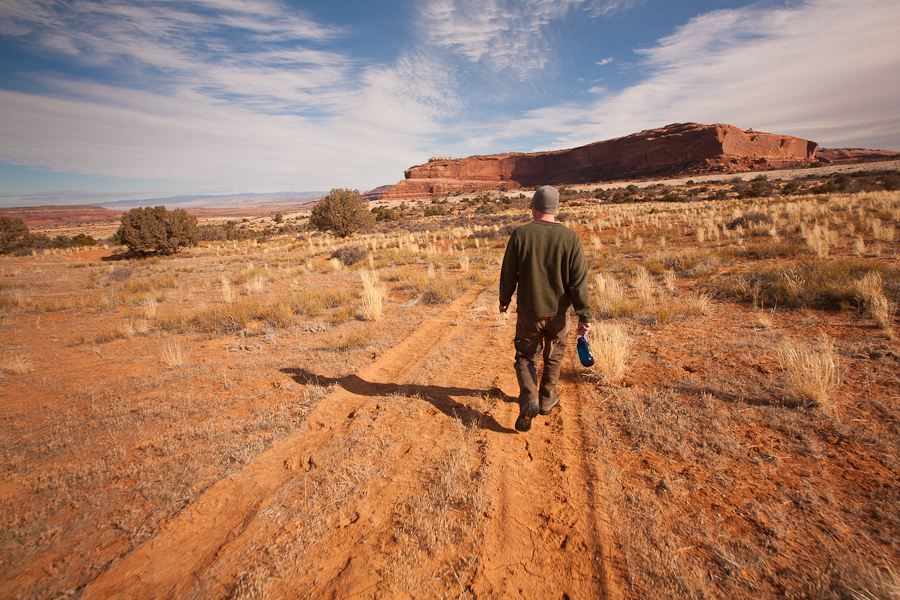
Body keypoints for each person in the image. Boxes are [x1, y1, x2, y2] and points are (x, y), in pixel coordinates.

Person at [499, 185, 592, 432]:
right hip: (560, 314)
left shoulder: (521, 234)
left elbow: (509, 272)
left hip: (529, 312)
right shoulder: (571, 238)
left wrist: (504, 299)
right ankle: (547, 399)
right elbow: (578, 281)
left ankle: (530, 399)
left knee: (526, 357)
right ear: (556, 209)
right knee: (554, 357)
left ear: (534, 207)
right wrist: (584, 314)